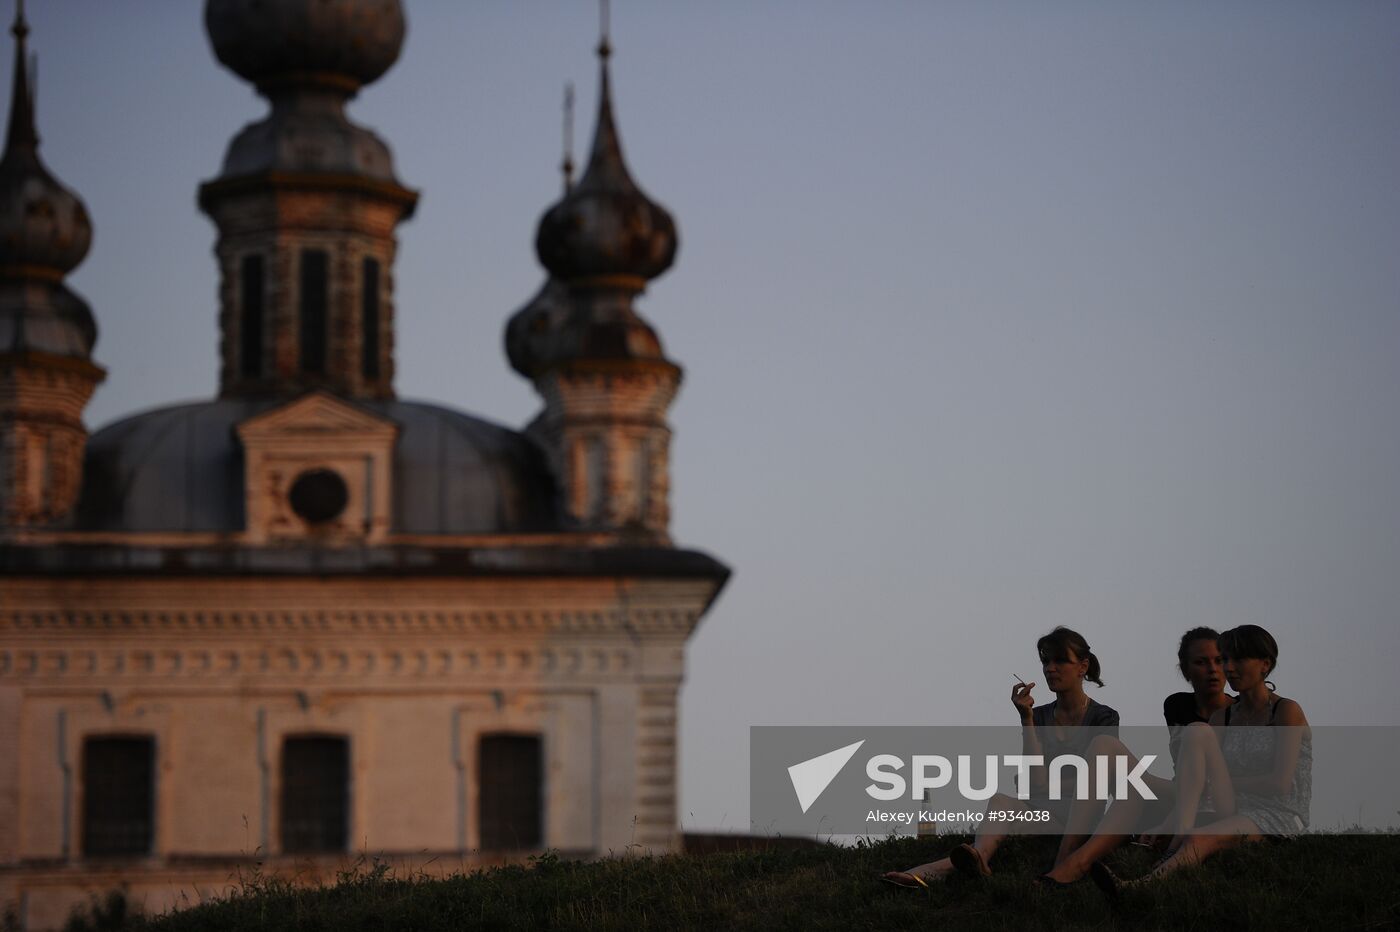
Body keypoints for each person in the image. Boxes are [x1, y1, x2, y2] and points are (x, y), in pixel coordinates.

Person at [882, 626, 1117, 888]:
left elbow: (1096, 785)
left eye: (1060, 660)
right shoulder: (1038, 716)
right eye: (1045, 661)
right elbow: (1032, 780)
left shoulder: (1103, 717)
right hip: (1045, 815)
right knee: (1000, 801)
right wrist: (1026, 719)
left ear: (1082, 666)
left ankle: (929, 871)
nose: (1050, 668)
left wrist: (1044, 786)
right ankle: (971, 860)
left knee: (1014, 811)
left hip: (1081, 818)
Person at [1091, 624, 1311, 896]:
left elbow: (1280, 784)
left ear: (1265, 664)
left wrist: (1226, 783)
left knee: (1199, 839)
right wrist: (1169, 822)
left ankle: (1137, 889)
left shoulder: (1285, 711)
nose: (1228, 668)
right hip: (1234, 805)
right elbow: (1198, 783)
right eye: (1227, 659)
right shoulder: (1223, 718)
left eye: (1236, 659)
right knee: (1196, 730)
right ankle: (1175, 836)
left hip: (1278, 813)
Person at [1039, 627, 1235, 885]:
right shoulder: (1177, 705)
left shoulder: (1240, 714)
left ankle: (1072, 866)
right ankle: (1065, 861)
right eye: (1201, 662)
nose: (1212, 669)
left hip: (1219, 802)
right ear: (1186, 670)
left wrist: (1171, 819)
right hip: (1180, 792)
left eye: (1219, 660)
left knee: (1133, 792)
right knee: (1104, 745)